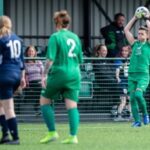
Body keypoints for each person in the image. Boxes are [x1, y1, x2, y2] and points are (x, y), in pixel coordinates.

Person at [39, 10, 83, 144]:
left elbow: (50, 59)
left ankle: (52, 132)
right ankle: (73, 136)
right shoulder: (75, 37)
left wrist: (44, 75)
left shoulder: (55, 37)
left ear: (56, 22)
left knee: (44, 101)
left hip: (59, 72)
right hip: (75, 73)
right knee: (72, 105)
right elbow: (80, 59)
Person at [0, 16, 26, 144]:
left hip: (4, 75)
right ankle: (4, 135)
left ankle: (15, 138)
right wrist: (22, 78)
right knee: (1, 105)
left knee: (8, 108)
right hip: (16, 75)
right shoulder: (18, 39)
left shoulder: (1, 40)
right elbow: (22, 62)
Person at [124, 12, 150, 127]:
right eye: (138, 34)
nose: (139, 36)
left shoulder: (148, 45)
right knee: (133, 99)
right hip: (132, 75)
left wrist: (147, 18)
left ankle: (145, 115)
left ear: (147, 35)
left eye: (142, 34)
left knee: (139, 95)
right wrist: (135, 17)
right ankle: (137, 121)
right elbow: (126, 30)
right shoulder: (134, 44)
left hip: (143, 75)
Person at [24, 46, 44, 115]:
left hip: (40, 80)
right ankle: (37, 106)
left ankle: (37, 106)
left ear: (35, 52)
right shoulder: (25, 62)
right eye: (29, 51)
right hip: (32, 81)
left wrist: (43, 80)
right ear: (27, 52)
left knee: (42, 88)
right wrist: (26, 82)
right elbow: (25, 74)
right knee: (40, 89)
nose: (31, 52)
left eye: (32, 51)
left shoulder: (38, 61)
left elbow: (42, 72)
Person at [114, 45, 132, 121]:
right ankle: (118, 116)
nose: (124, 52)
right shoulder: (118, 59)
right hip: (123, 84)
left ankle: (130, 115)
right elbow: (117, 69)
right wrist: (117, 77)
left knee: (131, 99)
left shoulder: (132, 59)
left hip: (130, 83)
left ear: (129, 52)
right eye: (123, 50)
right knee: (123, 100)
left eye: (126, 51)